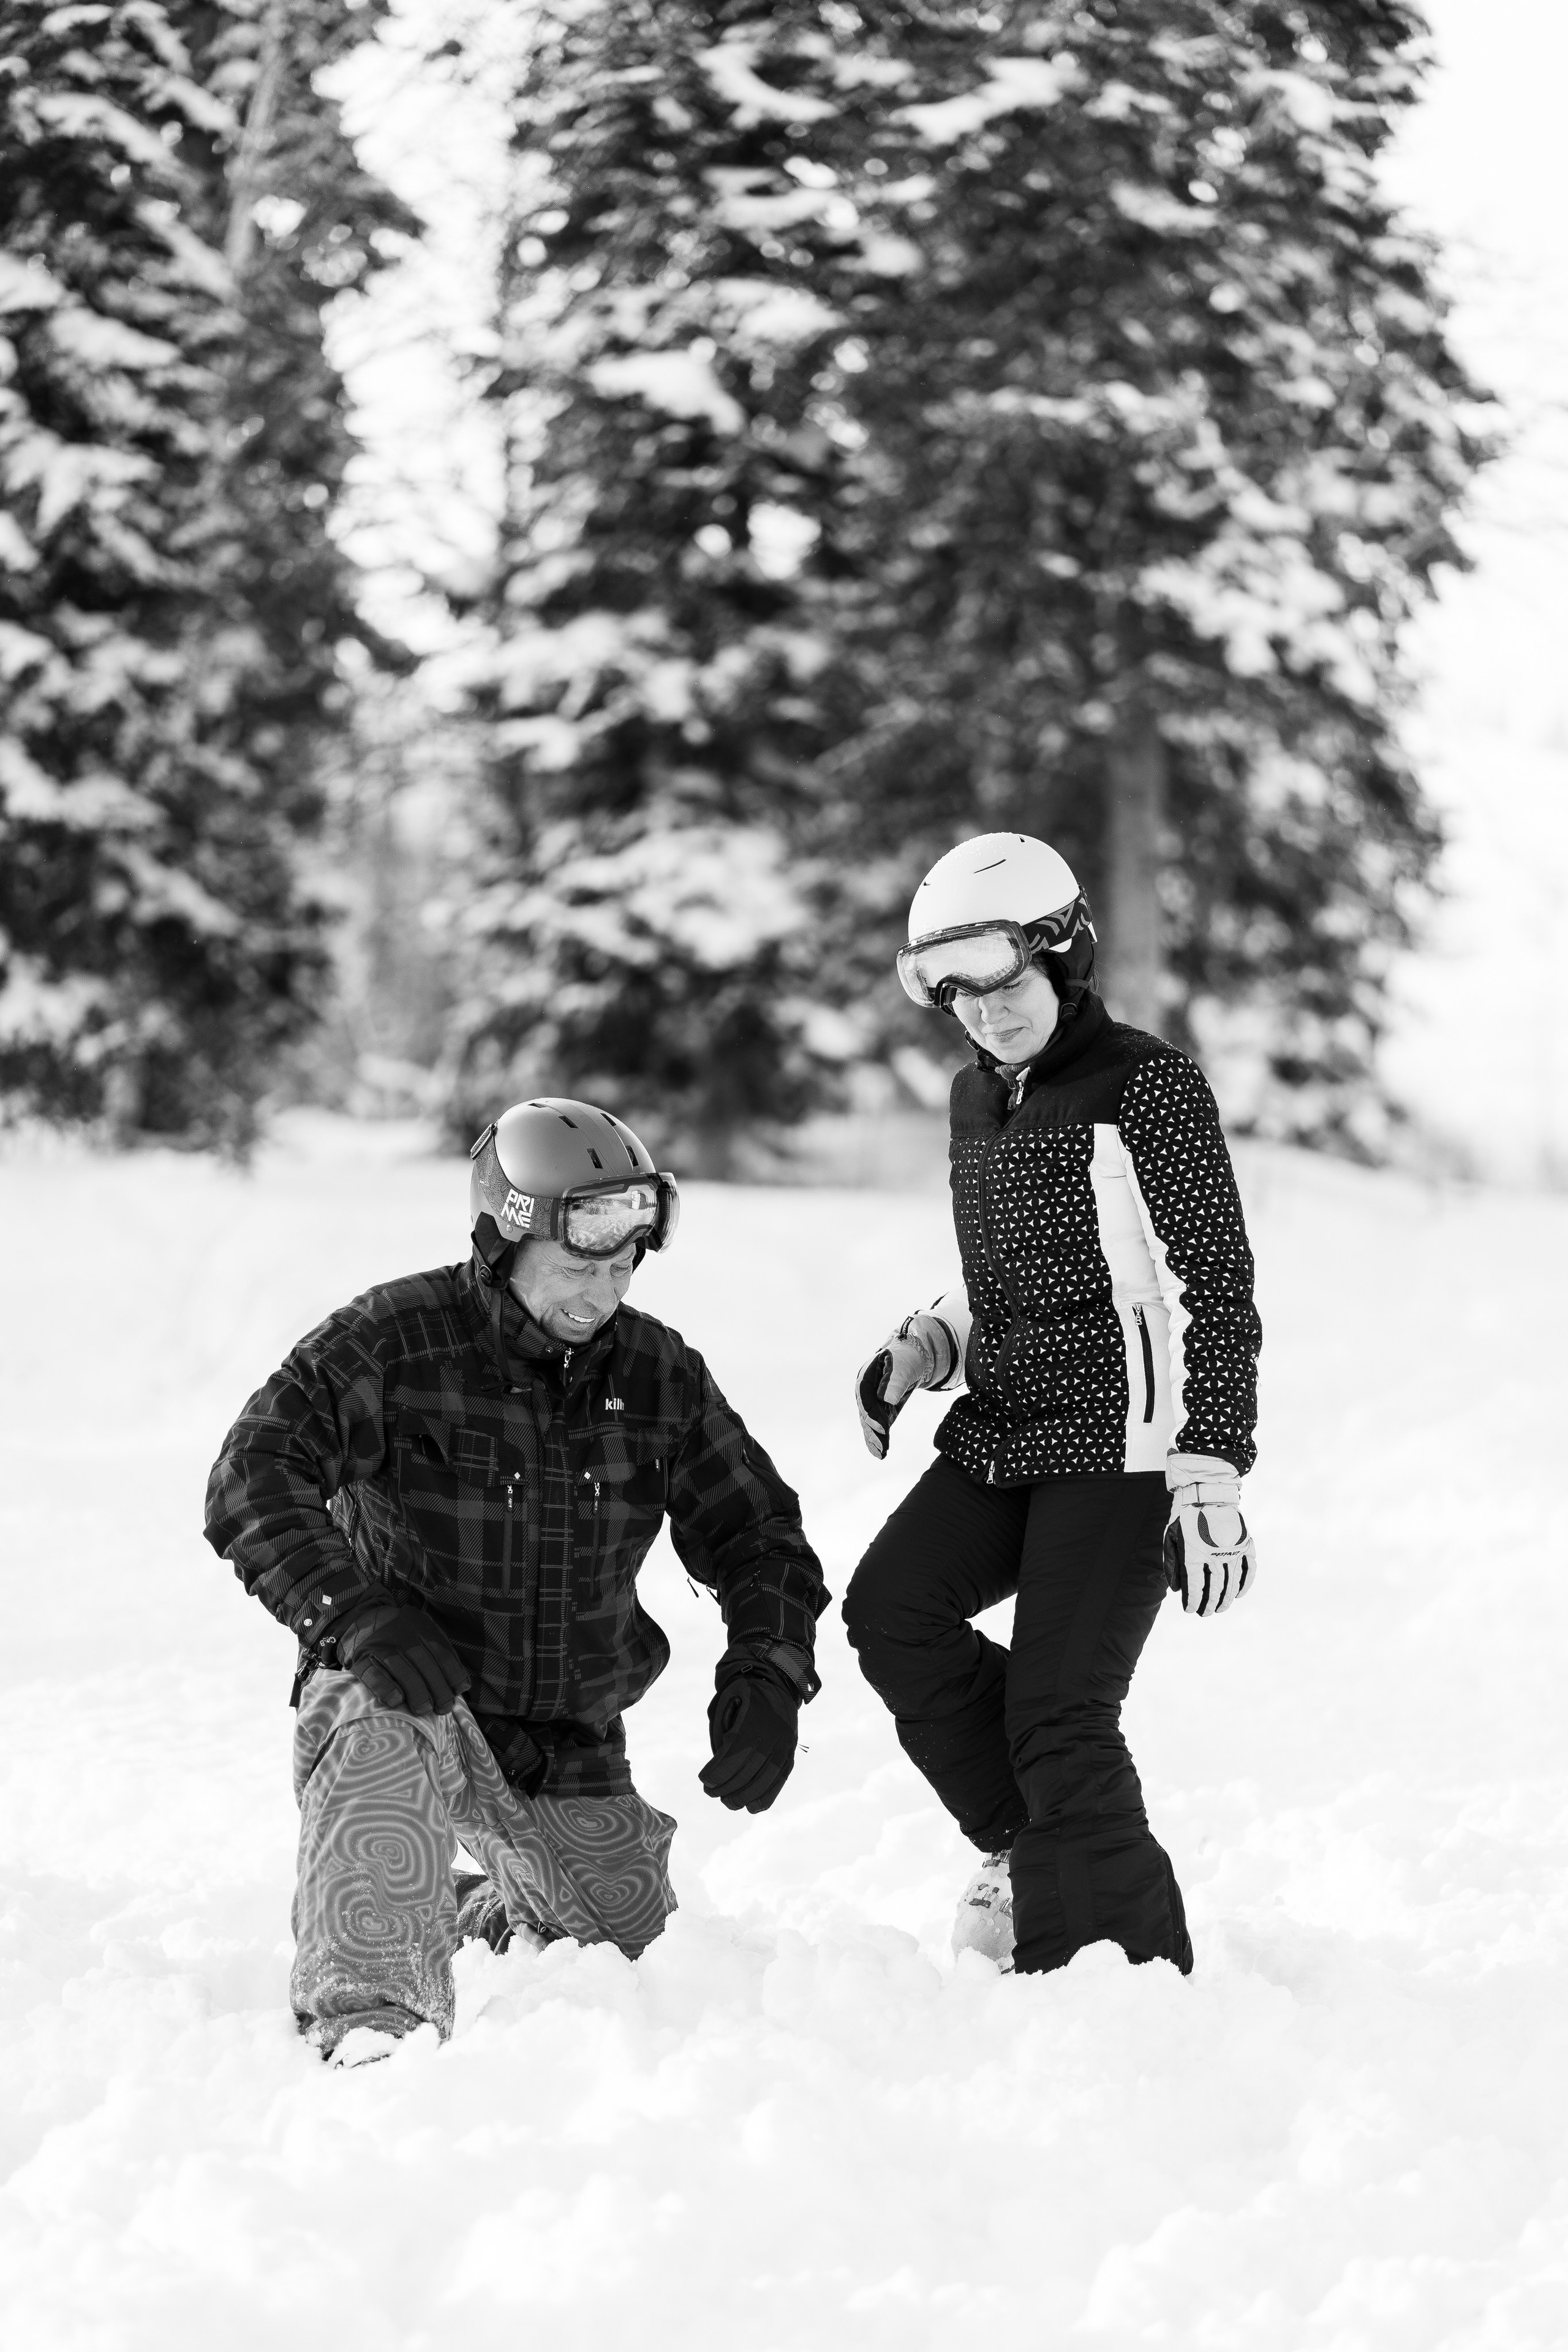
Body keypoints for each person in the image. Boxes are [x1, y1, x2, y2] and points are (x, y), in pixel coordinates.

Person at [205, 1098, 827, 2062]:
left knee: (627, 1950)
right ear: (503, 1239)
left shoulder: (659, 1374)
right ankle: (371, 2020)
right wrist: (354, 1616)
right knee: (377, 1724)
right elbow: (253, 1473)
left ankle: (464, 1905)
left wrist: (769, 1667)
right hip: (413, 1688)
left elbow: (760, 1534)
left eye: (622, 1265)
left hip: (563, 1744)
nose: (602, 1292)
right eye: (578, 1265)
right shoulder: (395, 1340)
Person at [843, 833, 1260, 1979]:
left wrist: (1209, 1469)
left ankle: (1115, 1978)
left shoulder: (1147, 1085)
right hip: (1006, 1432)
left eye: (1002, 977)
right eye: (952, 992)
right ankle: (1030, 1845)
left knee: (1060, 1711)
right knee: (893, 1612)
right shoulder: (977, 1097)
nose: (983, 1013)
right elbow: (1017, 1279)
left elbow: (1212, 1285)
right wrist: (934, 1341)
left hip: (1125, 1446)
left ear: (1064, 955)